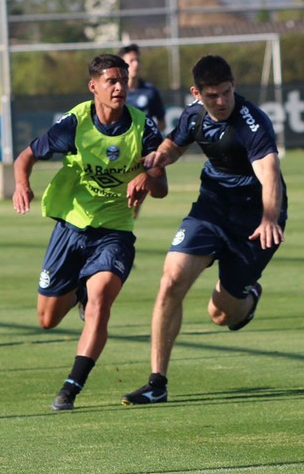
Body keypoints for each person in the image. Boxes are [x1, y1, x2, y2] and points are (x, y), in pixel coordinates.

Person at [121, 54, 287, 406]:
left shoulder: (252, 123)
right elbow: (174, 145)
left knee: (221, 314)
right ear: (197, 93)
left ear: (234, 87)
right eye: (212, 95)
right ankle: (157, 383)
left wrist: (270, 217)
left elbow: (270, 173)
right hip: (210, 209)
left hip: (255, 221)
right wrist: (155, 161)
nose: (222, 101)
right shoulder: (193, 116)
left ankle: (248, 296)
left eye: (226, 93)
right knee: (171, 280)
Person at [12, 53, 168, 411]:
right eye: (111, 81)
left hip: (115, 231)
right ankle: (79, 288)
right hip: (71, 225)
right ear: (93, 86)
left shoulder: (144, 128)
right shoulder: (75, 123)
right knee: (47, 319)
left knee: (99, 303)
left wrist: (150, 175)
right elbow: (26, 156)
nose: (119, 87)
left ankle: (70, 388)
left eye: (123, 80)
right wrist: (22, 184)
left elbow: (162, 191)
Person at [119, 44, 166, 132]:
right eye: (131, 61)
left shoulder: (150, 91)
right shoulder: (116, 91)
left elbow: (162, 123)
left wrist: (149, 136)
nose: (136, 64)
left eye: (138, 60)